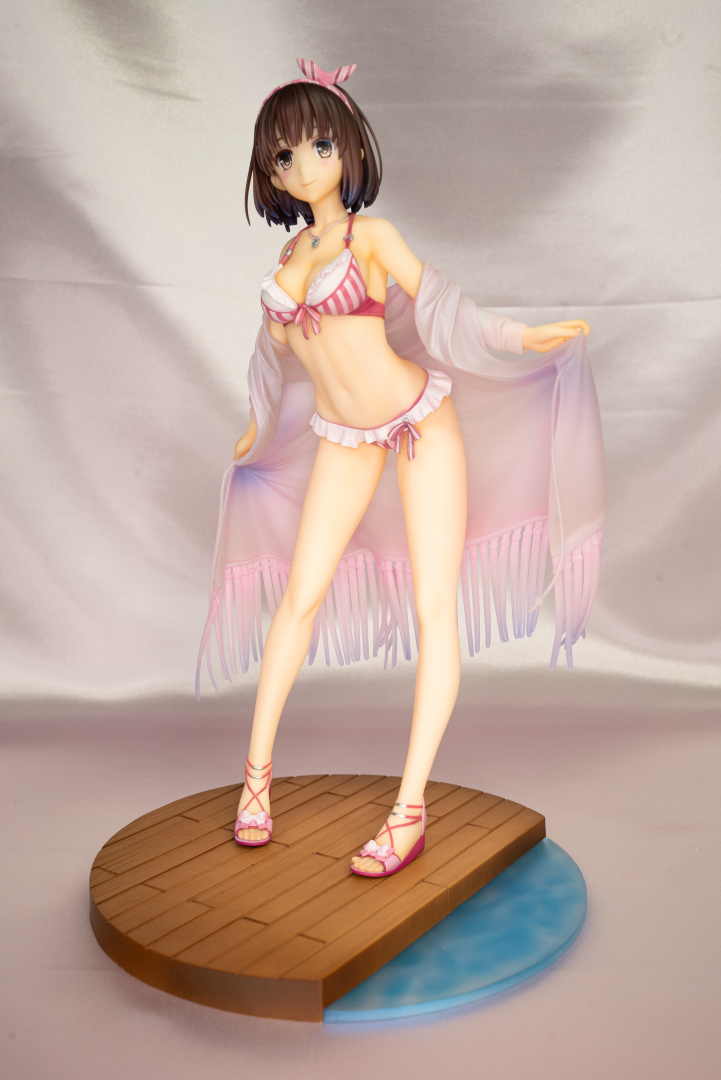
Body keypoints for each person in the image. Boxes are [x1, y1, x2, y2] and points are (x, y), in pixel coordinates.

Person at [197, 60, 603, 878]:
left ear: (348, 147)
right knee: (299, 597)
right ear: (269, 170)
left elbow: (444, 305)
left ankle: (408, 811)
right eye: (283, 156)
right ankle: (255, 782)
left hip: (419, 425)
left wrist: (521, 338)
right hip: (344, 438)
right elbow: (272, 360)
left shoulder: (369, 239)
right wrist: (255, 426)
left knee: (431, 606)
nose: (303, 167)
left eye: (318, 146)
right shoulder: (290, 254)